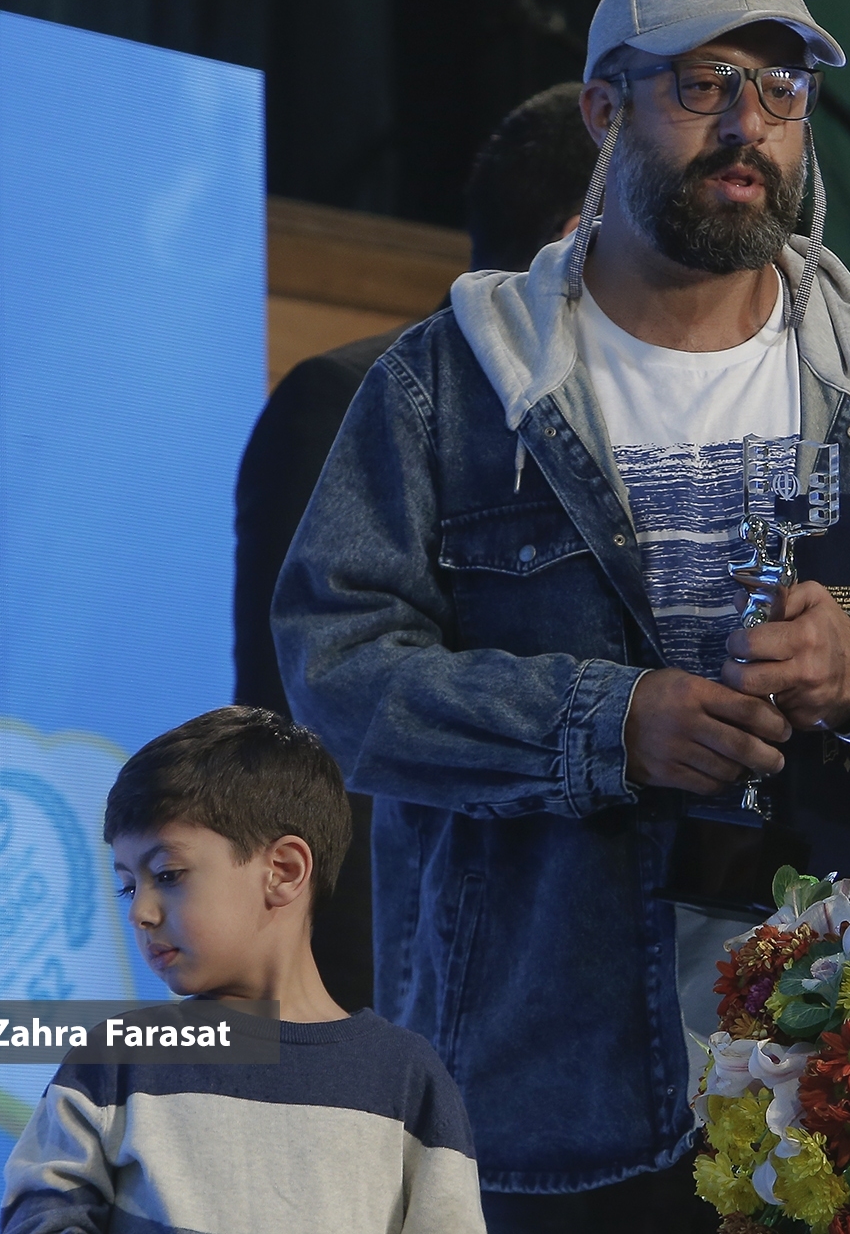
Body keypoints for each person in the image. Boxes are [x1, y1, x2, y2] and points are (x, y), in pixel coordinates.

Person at [271, 0, 850, 1232]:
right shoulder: (450, 389)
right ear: (602, 108)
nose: (747, 125)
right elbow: (337, 674)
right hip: (547, 1098)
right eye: (701, 84)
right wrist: (606, 725)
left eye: (781, 90)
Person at [233, 82, 598, 1014]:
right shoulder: (353, 399)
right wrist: (344, 1031)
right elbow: (302, 743)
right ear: (575, 238)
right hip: (405, 997)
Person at [0, 707, 486, 1234]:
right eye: (128, 886)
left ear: (284, 871)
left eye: (168, 874)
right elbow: (41, 1212)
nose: (140, 912)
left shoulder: (407, 1078)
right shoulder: (116, 1058)